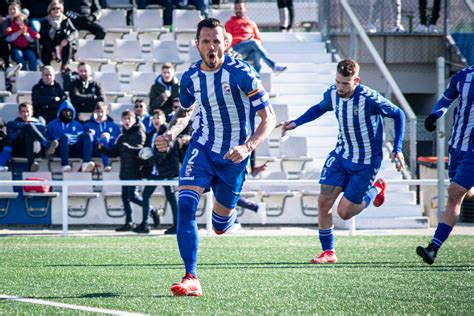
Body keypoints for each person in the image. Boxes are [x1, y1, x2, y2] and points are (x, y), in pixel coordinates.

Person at [155, 18, 276, 297]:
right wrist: (172, 134)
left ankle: (225, 217)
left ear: (227, 43)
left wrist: (247, 147)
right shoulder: (189, 78)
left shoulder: (242, 74)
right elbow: (185, 113)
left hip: (234, 156)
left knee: (220, 225)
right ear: (197, 45)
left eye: (216, 41)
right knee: (185, 206)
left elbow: (268, 118)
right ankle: (191, 276)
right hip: (202, 147)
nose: (212, 47)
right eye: (206, 41)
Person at [281, 59, 406, 264]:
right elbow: (319, 108)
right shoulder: (333, 93)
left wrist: (398, 148)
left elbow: (398, 114)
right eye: (338, 82)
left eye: (345, 84)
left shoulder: (370, 98)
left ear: (355, 80)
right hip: (341, 156)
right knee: (323, 202)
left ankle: (376, 188)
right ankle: (328, 252)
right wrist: (296, 122)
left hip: (366, 162)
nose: (340, 87)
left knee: (344, 213)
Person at [416, 65, 474, 265]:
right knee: (463, 193)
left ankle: (433, 248)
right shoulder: (463, 77)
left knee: (454, 194)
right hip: (456, 145)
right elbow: (446, 99)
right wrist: (434, 115)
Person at [99, 109, 146, 232]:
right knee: (125, 197)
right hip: (124, 171)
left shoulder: (139, 132)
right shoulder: (122, 136)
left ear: (134, 120)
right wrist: (103, 149)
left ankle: (152, 210)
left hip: (136, 171)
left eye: (129, 118)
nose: (127, 121)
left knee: (133, 196)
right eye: (125, 119)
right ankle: (129, 222)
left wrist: (128, 147)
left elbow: (141, 149)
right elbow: (115, 152)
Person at [137, 109, 180, 234]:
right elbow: (147, 150)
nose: (156, 120)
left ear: (163, 119)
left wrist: (149, 159)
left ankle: (177, 224)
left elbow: (163, 154)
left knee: (171, 197)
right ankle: (145, 224)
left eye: (158, 117)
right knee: (146, 195)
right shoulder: (151, 134)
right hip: (155, 171)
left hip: (166, 171)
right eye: (154, 118)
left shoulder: (167, 133)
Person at [225, 0, 286, 74]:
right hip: (236, 49)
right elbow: (228, 40)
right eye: (236, 8)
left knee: (256, 54)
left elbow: (258, 39)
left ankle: (254, 80)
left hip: (250, 49)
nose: (238, 10)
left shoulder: (251, 23)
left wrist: (250, 42)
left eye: (240, 8)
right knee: (253, 42)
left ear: (245, 9)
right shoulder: (229, 23)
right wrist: (245, 40)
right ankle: (273, 66)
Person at [0, 102, 57, 172]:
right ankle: (47, 145)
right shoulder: (12, 124)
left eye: (27, 111)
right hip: (19, 150)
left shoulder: (39, 123)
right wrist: (22, 129)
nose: (26, 114)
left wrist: (24, 127)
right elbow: (11, 138)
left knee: (29, 132)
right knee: (28, 127)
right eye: (23, 111)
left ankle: (31, 165)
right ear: (19, 113)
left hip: (35, 150)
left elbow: (44, 131)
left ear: (32, 112)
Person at [46, 100, 84, 173]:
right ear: (60, 112)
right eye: (64, 112)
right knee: (63, 138)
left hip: (74, 149)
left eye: (69, 112)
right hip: (59, 149)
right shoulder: (52, 124)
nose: (67, 114)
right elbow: (47, 137)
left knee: (66, 137)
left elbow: (80, 137)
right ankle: (64, 164)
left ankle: (86, 160)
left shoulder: (77, 124)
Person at [39, 1, 78, 72]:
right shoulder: (45, 21)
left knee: (69, 44)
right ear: (50, 10)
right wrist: (52, 51)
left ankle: (64, 67)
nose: (56, 10)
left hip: (62, 46)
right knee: (44, 50)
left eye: (58, 8)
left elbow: (75, 32)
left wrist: (67, 39)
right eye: (53, 8)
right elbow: (43, 38)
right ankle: (47, 69)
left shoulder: (66, 20)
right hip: (49, 47)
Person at [82, 102, 120, 172]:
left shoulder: (113, 126)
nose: (100, 114)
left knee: (105, 139)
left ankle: (106, 165)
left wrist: (109, 137)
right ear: (94, 112)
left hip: (109, 150)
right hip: (95, 150)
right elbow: (84, 140)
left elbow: (117, 140)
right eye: (98, 111)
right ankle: (105, 164)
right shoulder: (88, 125)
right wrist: (97, 138)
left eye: (102, 111)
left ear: (107, 112)